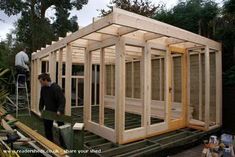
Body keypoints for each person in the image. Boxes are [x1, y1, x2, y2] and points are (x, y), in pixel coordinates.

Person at [38, 73, 66, 147]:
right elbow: (42, 99)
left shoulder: (56, 88)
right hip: (48, 111)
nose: (40, 83)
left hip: (57, 111)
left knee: (61, 128)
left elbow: (62, 100)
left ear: (46, 80)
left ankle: (63, 144)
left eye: (41, 81)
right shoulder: (43, 88)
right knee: (47, 127)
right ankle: (49, 143)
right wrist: (40, 109)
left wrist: (60, 110)